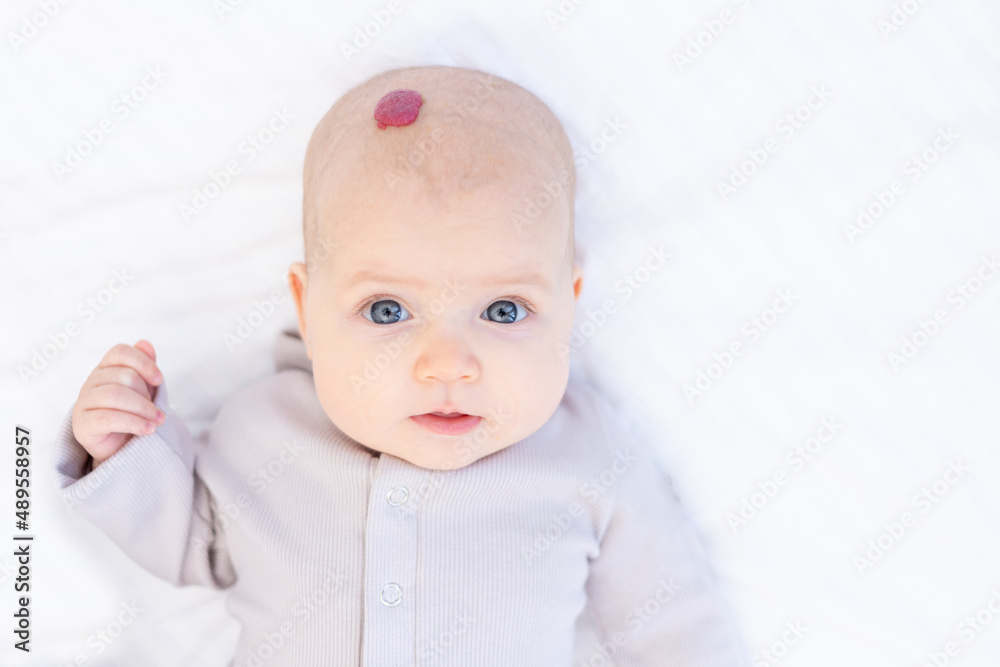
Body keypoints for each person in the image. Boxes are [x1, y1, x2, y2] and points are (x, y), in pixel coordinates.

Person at [54, 64, 749, 666]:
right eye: (387, 310)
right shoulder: (261, 428)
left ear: (569, 303)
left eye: (503, 311)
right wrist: (124, 453)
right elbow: (191, 543)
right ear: (308, 305)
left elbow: (675, 627)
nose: (447, 364)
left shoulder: (588, 455)